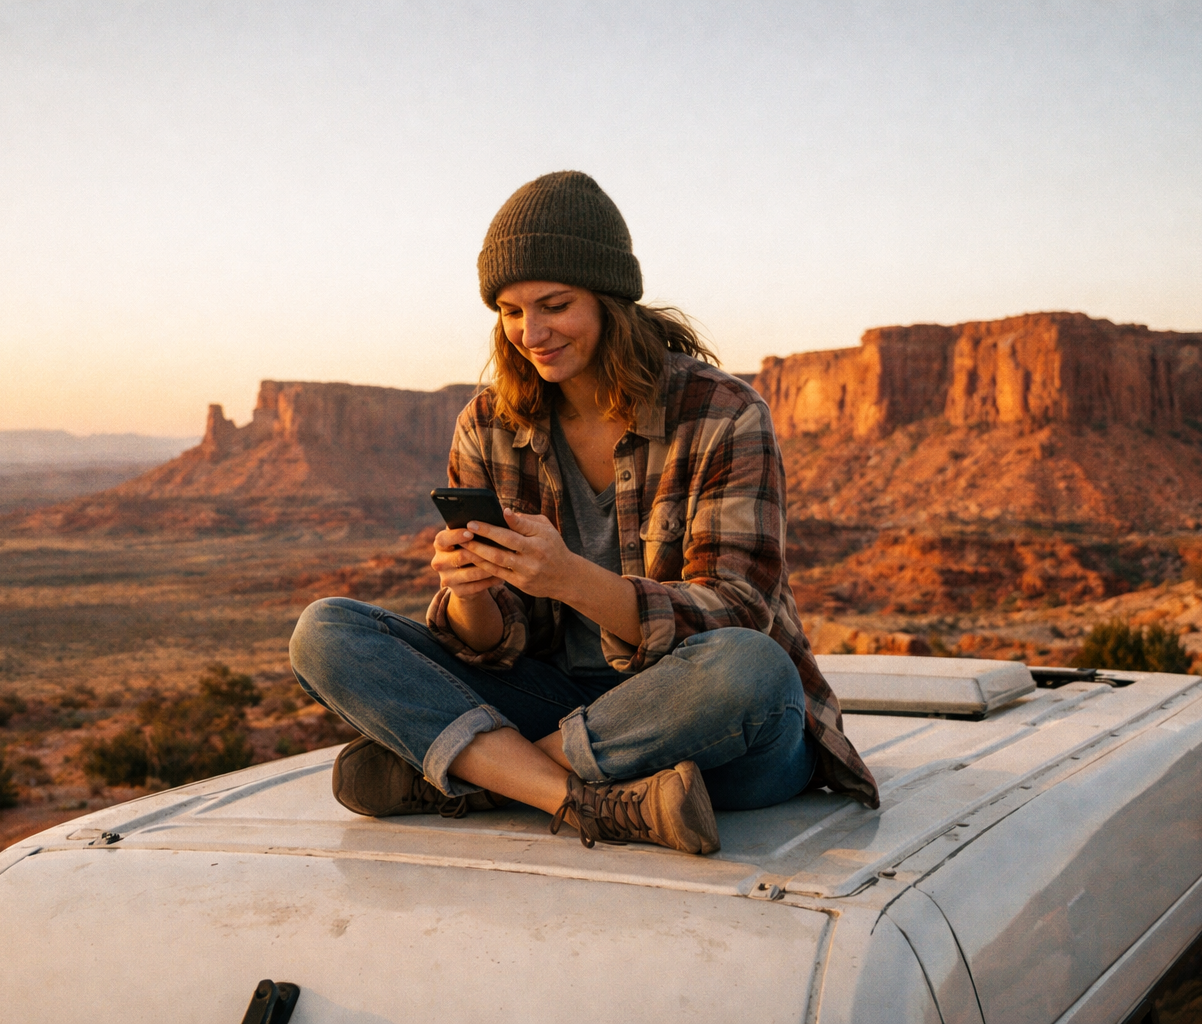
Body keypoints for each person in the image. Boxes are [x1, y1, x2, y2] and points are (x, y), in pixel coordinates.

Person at [290, 171, 877, 855]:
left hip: (703, 724)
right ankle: (575, 798)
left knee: (752, 667)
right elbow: (487, 645)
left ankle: (483, 777)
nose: (529, 333)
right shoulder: (489, 423)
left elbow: (739, 609)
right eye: (509, 311)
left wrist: (568, 577)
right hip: (560, 700)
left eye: (554, 305)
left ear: (608, 299)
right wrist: (467, 593)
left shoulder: (723, 413)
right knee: (326, 631)